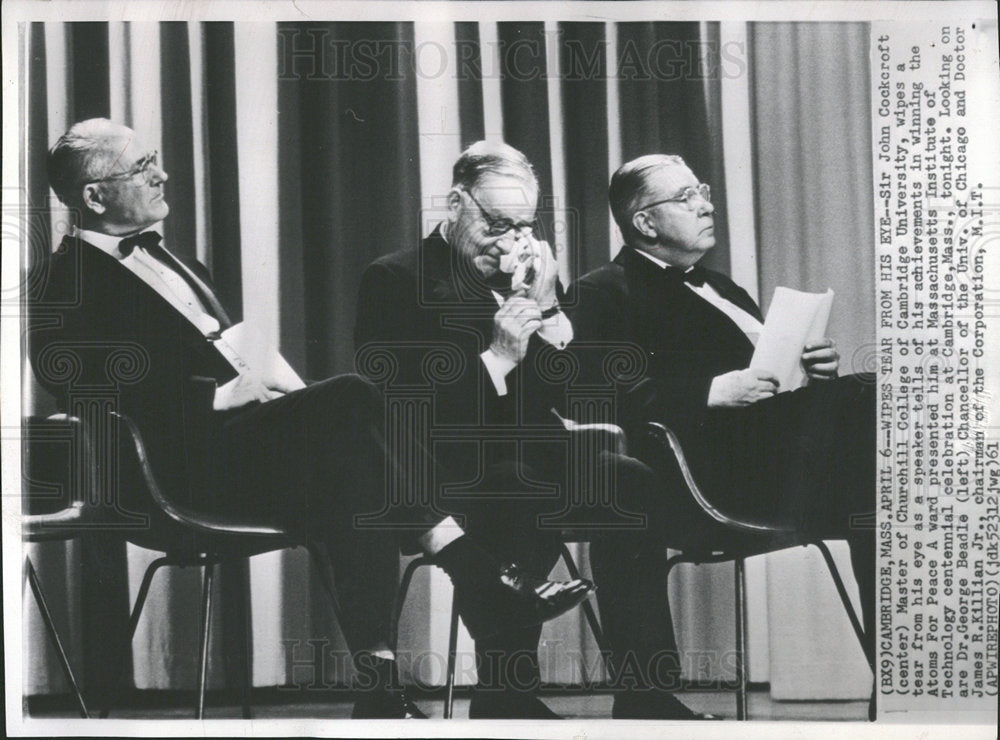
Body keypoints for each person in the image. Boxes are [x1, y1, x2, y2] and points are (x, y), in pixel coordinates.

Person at [29, 119, 593, 719]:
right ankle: (477, 577)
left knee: (353, 475)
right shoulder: (55, 283)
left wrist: (260, 382)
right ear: (93, 196)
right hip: (172, 473)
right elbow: (83, 386)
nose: (162, 173)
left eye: (156, 160)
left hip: (242, 452)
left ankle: (380, 691)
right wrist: (224, 395)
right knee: (352, 400)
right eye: (143, 168)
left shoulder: (182, 262)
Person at [567, 153, 876, 718]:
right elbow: (596, 396)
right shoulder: (603, 291)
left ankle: (903, 675)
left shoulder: (723, 288)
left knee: (879, 501)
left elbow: (767, 385)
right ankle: (646, 701)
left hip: (774, 462)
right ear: (644, 222)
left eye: (702, 191)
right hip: (698, 477)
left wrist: (810, 370)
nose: (706, 204)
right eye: (686, 197)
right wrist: (711, 391)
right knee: (871, 405)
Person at [356, 140, 611, 718]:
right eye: (496, 224)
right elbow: (396, 411)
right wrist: (496, 357)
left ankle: (650, 694)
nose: (510, 243)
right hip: (432, 473)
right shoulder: (395, 279)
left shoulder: (530, 277)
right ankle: (508, 691)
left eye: (525, 226)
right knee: (518, 484)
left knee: (628, 481)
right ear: (454, 203)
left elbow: (574, 392)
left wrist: (549, 315)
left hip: (533, 455)